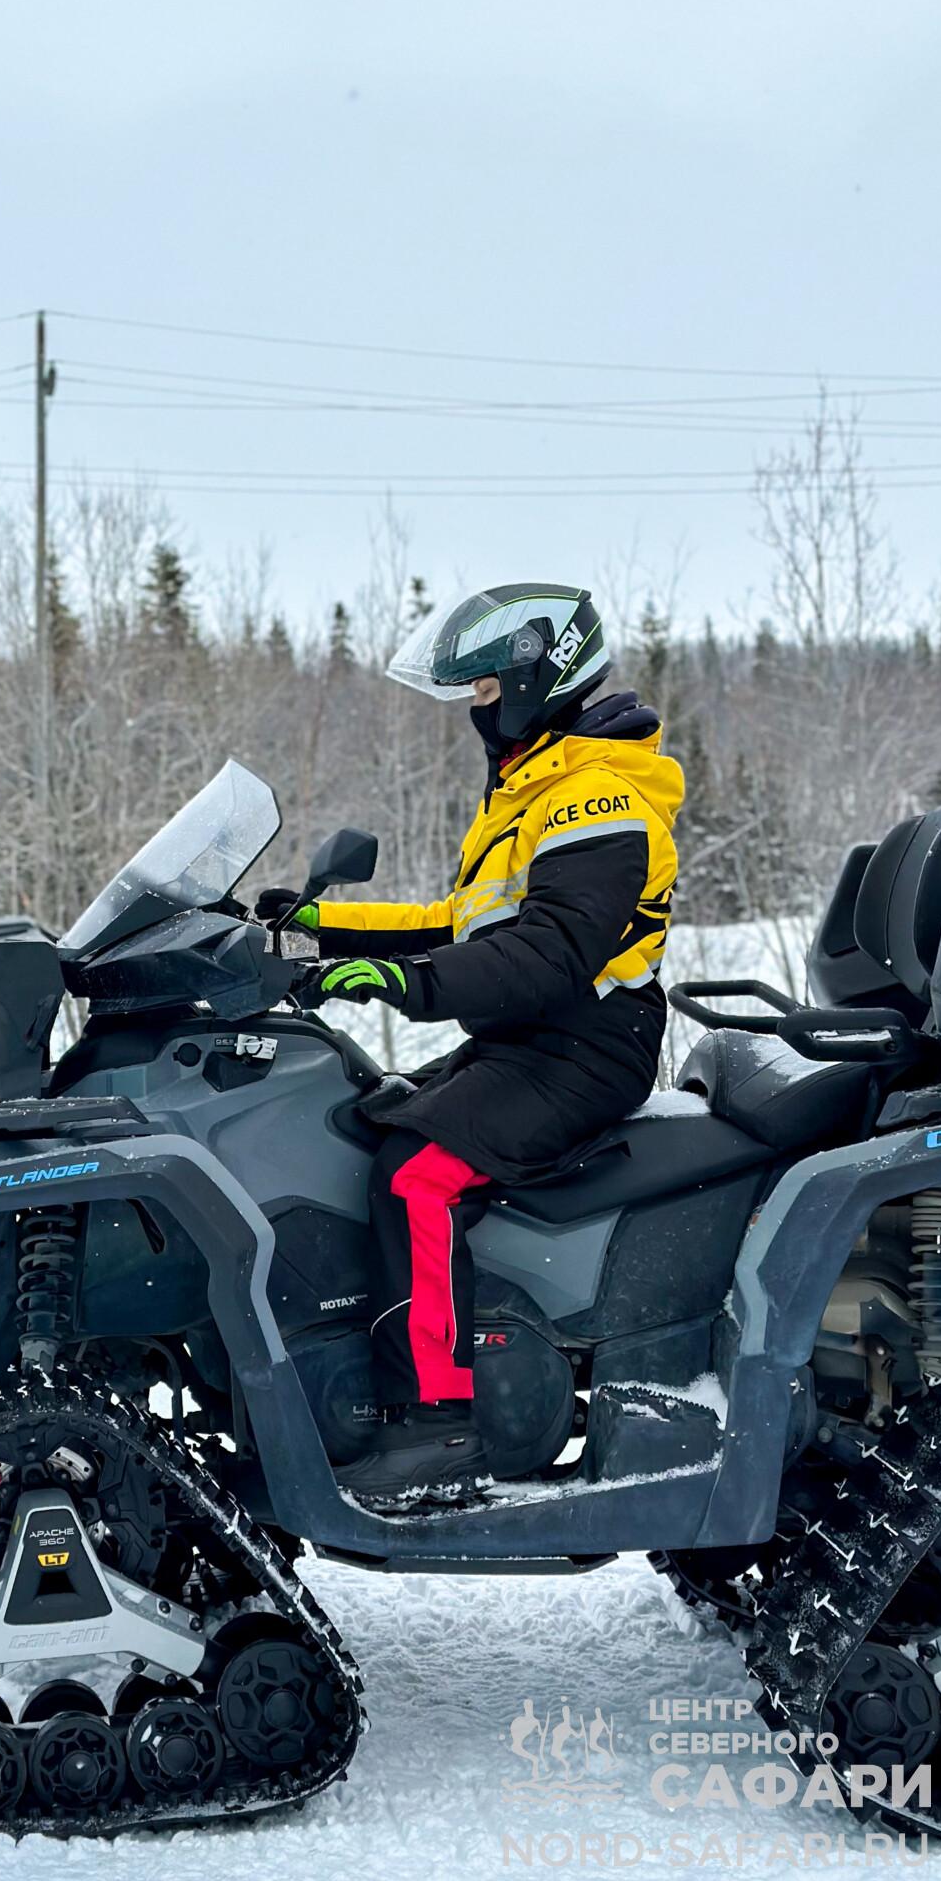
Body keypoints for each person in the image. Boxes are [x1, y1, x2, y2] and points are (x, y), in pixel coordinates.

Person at [261, 584, 683, 1508]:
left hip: (583, 1048)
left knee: (416, 1176)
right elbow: (463, 921)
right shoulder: (539, 785)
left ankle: (436, 1422)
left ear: (537, 681)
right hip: (526, 1040)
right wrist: (324, 928)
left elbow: (550, 952)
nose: (477, 710)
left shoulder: (599, 797)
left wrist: (403, 984)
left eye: (486, 689)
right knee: (363, 1123)